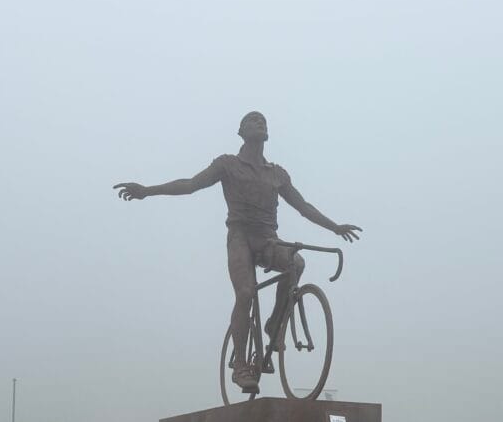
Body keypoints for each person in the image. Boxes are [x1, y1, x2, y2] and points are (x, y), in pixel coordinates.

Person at [114, 111, 361, 392]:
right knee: (245, 293)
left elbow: (303, 207)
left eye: (264, 121)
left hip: (268, 239)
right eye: (253, 120)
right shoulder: (228, 165)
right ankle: (241, 365)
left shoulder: (277, 174)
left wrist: (335, 227)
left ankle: (274, 324)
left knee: (297, 263)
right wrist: (147, 190)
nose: (260, 123)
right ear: (241, 132)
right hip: (240, 237)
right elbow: (190, 185)